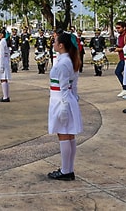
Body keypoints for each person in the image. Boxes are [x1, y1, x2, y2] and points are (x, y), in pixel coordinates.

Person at [47, 31, 83, 181]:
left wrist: (63, 107)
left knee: (63, 134)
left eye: (55, 42)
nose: (53, 44)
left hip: (61, 100)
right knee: (69, 135)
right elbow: (73, 86)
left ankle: (65, 170)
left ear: (61, 46)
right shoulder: (68, 59)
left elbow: (63, 88)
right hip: (67, 100)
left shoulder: (63, 63)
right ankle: (68, 169)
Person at [0, 29, 12, 102]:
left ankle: (5, 97)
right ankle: (6, 96)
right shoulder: (4, 41)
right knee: (4, 79)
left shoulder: (2, 42)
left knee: (3, 78)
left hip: (1, 61)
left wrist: (1, 65)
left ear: (2, 34)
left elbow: (1, 54)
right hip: (4, 60)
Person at [112, 21, 126, 98]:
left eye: (119, 28)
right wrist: (115, 48)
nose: (117, 29)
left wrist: (119, 49)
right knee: (118, 72)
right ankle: (125, 88)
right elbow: (120, 46)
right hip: (122, 58)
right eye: (116, 28)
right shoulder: (119, 37)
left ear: (124, 28)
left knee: (125, 74)